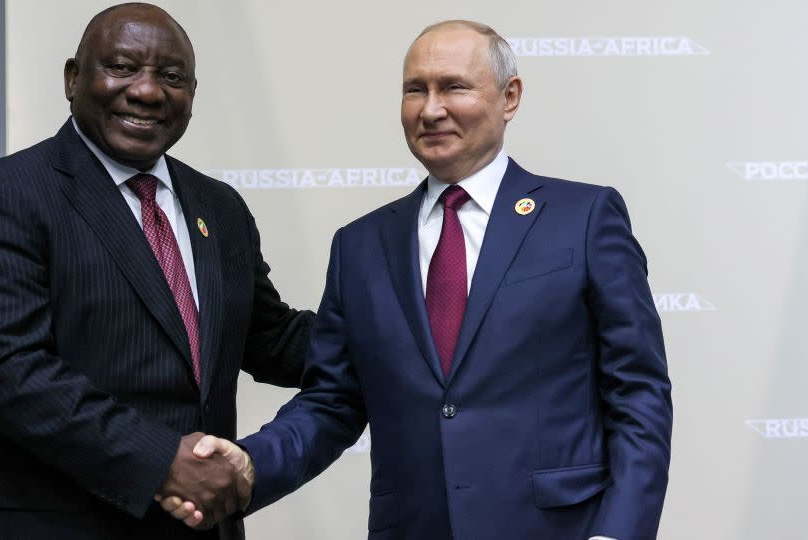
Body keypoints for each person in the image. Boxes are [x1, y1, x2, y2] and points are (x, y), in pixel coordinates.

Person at [166, 19, 672, 540]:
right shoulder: (359, 246)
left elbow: (638, 392)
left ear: (510, 96)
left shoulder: (584, 217)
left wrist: (620, 532)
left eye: (454, 86)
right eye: (416, 90)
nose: (431, 109)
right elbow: (332, 400)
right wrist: (250, 465)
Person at [0, 3, 313, 539]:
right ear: (72, 79)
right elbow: (2, 369)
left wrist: (404, 337)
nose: (146, 91)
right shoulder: (6, 194)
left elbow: (269, 337)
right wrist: (162, 460)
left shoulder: (219, 206)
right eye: (121, 67)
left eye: (171, 76)